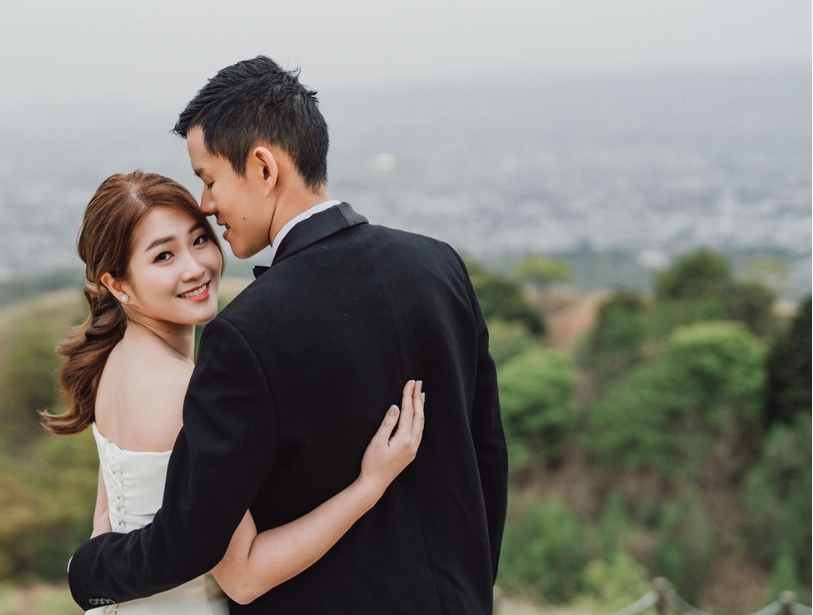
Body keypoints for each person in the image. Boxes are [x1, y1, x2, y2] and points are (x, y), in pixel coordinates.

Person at [67, 56, 507, 614]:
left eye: (209, 180)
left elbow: (199, 545)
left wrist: (88, 571)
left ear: (264, 167)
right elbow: (485, 456)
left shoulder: (245, 333)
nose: (206, 204)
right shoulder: (440, 266)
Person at [44, 170, 426, 613]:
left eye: (199, 240)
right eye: (163, 256)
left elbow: (104, 527)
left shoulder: (113, 363)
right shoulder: (181, 388)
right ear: (118, 284)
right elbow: (243, 577)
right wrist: (371, 483)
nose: (194, 268)